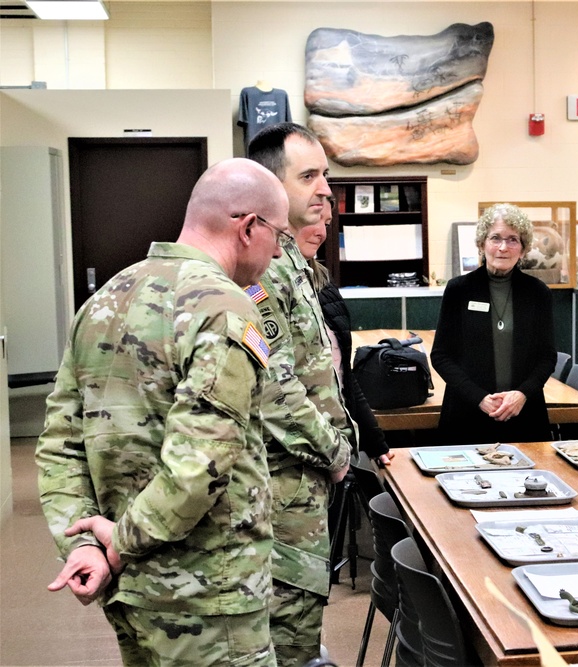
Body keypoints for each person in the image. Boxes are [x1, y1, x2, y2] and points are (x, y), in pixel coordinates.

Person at [36, 158, 289, 666]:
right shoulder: (225, 308)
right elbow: (200, 465)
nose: (279, 250)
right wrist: (120, 543)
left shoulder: (104, 298)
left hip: (129, 591)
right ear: (247, 227)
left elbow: (61, 442)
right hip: (209, 598)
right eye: (278, 234)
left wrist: (84, 544)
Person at [247, 122, 356, 667]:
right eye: (308, 176)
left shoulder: (296, 264)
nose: (324, 190)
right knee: (286, 635)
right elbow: (275, 386)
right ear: (270, 186)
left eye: (326, 176)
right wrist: (338, 452)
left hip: (307, 482)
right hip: (285, 487)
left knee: (301, 627)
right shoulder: (261, 269)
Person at [431, 203, 556, 445]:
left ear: (523, 248)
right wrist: (479, 398)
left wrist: (521, 394)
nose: (502, 247)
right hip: (467, 416)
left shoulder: (537, 292)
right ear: (482, 243)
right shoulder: (459, 290)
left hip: (524, 416)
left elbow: (547, 356)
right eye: (495, 238)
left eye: (512, 240)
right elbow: (441, 356)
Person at [313, 197, 394, 468]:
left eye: (326, 223)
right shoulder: (263, 289)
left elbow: (344, 376)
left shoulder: (325, 285)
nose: (320, 233)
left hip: (341, 443)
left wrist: (374, 440)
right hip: (305, 451)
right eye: (312, 222)